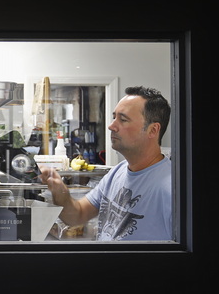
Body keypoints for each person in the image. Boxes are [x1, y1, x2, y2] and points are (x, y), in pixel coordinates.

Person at [39, 86, 172, 241]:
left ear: (153, 130)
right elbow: (78, 214)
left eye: (123, 119)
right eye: (114, 117)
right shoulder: (118, 172)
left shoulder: (171, 188)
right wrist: (59, 191)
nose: (111, 126)